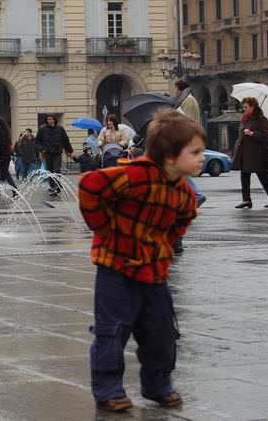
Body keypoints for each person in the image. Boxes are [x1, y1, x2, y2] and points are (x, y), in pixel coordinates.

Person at [78, 109, 205, 412]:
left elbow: (184, 217)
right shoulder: (133, 175)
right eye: (195, 152)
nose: (202, 157)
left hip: (154, 271)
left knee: (162, 332)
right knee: (113, 330)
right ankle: (108, 388)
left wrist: (165, 241)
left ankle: (157, 384)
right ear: (171, 156)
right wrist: (103, 228)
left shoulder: (184, 191)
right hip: (116, 267)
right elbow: (89, 186)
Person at [232, 97, 268, 208]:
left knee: (263, 176)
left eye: (245, 107)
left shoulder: (261, 119)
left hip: (257, 154)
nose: (243, 109)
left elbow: (265, 136)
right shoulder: (245, 119)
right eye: (243, 107)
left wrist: (252, 133)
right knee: (244, 175)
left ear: (253, 106)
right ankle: (246, 201)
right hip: (245, 153)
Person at [175, 78, 207, 207]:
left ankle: (197, 195)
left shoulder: (187, 100)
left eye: (176, 88)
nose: (175, 90)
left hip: (187, 138)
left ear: (179, 88)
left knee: (179, 169)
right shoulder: (189, 98)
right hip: (188, 138)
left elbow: (186, 120)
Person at [36, 114, 74, 196]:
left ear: (55, 120)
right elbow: (37, 141)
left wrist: (70, 151)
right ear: (46, 120)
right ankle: (53, 186)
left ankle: (57, 186)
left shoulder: (60, 129)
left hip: (57, 152)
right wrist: (41, 149)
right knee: (49, 171)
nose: (50, 121)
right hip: (47, 153)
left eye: (52, 119)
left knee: (56, 170)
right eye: (49, 119)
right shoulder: (42, 129)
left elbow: (65, 140)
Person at [0, 116, 18, 198]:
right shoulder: (6, 132)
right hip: (6, 156)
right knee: (6, 173)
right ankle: (15, 189)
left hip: (0, 156)